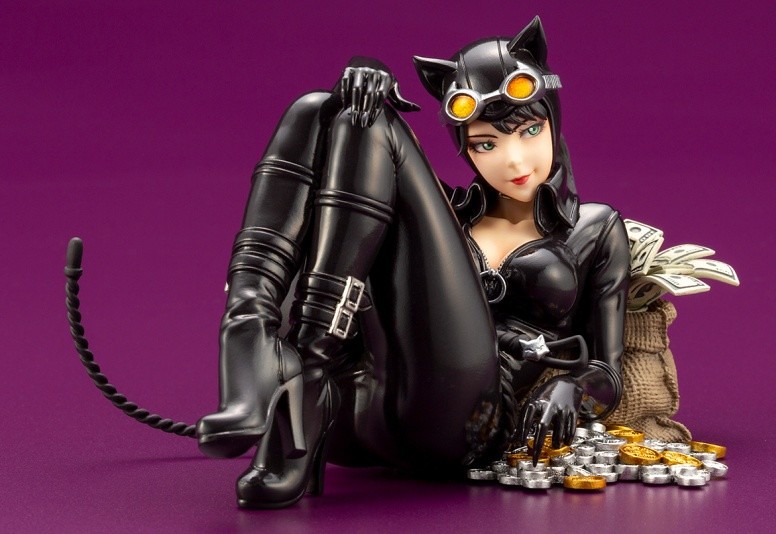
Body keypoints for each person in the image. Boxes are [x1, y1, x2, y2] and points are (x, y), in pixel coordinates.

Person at [195, 16, 630, 509]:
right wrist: (366, 73)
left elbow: (608, 371)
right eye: (486, 143)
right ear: (464, 147)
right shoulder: (448, 216)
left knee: (368, 119)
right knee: (321, 108)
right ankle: (254, 339)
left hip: (465, 419)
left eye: (531, 130)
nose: (513, 160)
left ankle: (298, 376)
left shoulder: (595, 228)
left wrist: (573, 389)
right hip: (357, 408)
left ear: (554, 118)